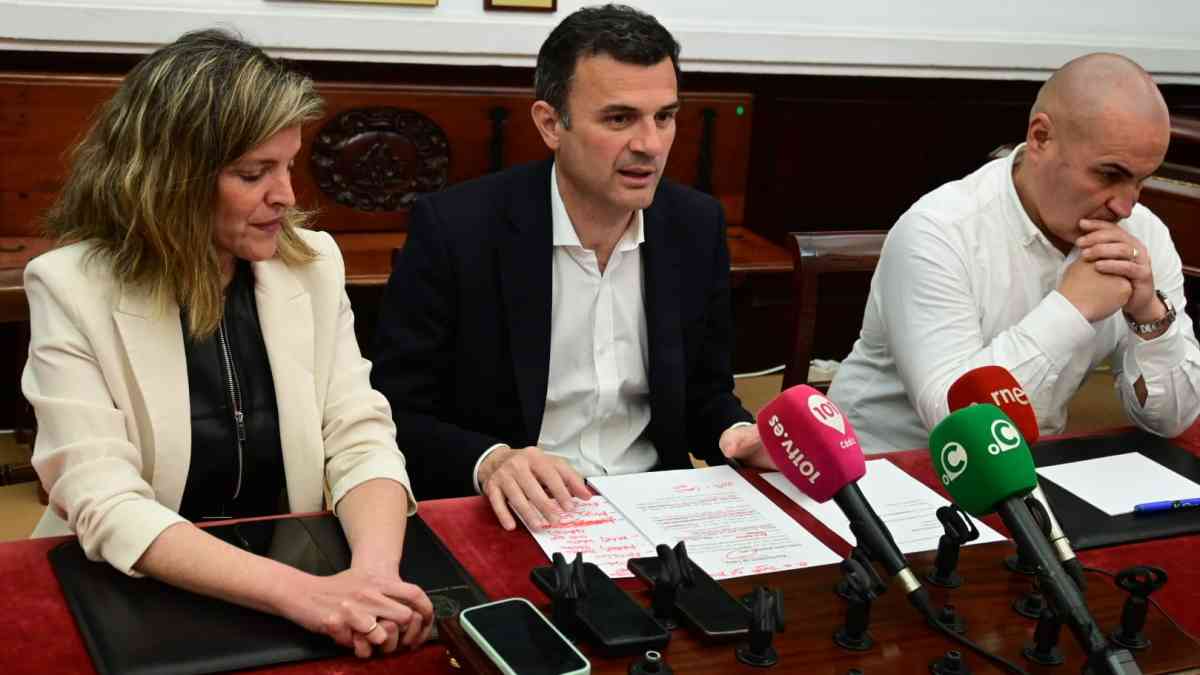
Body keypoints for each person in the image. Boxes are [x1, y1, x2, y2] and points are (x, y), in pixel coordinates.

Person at [22, 29, 433, 657]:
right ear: (169, 179)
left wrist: (374, 575)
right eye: (253, 173)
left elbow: (358, 434)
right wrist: (305, 595)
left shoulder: (313, 262)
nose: (287, 196)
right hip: (141, 584)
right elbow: (103, 499)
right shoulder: (70, 285)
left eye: (288, 165)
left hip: (303, 574)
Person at [371, 4, 769, 531]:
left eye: (665, 117)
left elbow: (704, 392)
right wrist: (492, 460)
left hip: (656, 507)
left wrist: (734, 432)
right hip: (518, 513)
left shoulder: (694, 226)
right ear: (550, 124)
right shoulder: (458, 230)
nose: (649, 145)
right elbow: (394, 412)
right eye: (619, 118)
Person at [827, 53, 1200, 454]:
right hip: (880, 468)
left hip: (1025, 472)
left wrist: (1150, 317)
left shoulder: (1142, 234)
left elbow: (1172, 420)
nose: (1125, 207)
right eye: (1110, 175)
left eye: (1142, 181)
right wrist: (1070, 310)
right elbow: (959, 424)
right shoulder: (937, 230)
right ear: (1040, 137)